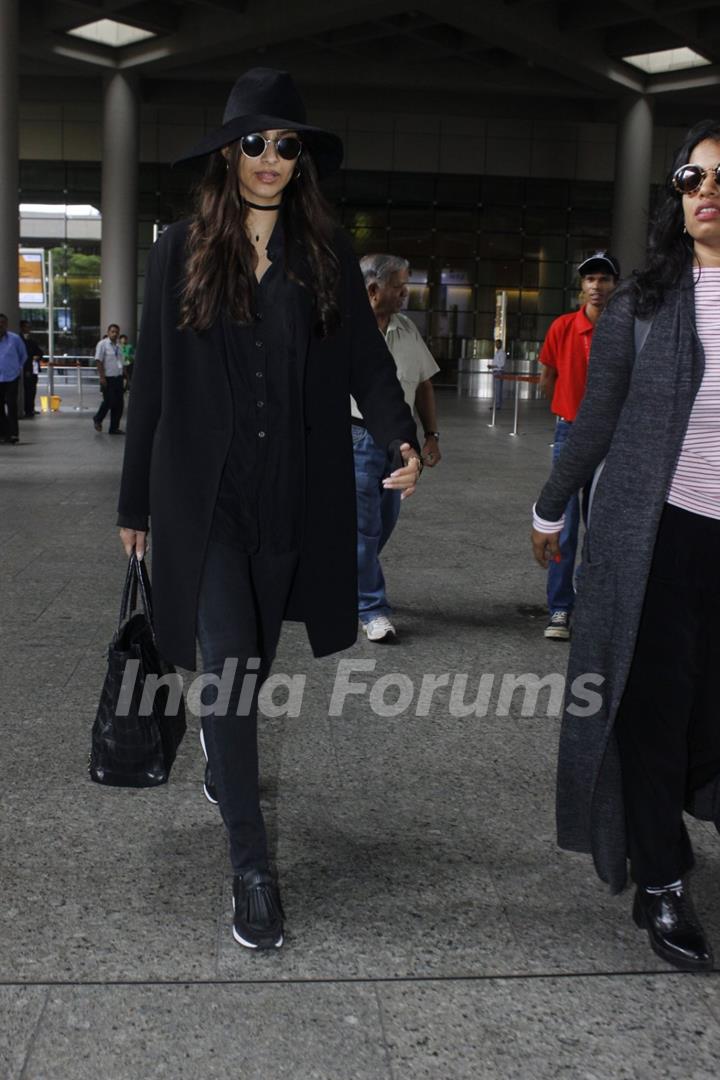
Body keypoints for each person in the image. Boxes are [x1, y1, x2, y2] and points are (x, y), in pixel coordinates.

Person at [116, 68, 422, 951]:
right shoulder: (179, 246)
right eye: (255, 142)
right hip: (204, 502)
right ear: (227, 151)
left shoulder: (321, 253)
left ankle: (226, 752)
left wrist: (402, 439)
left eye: (287, 145)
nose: (270, 160)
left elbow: (368, 361)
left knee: (246, 666)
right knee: (236, 671)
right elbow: (155, 386)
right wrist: (136, 501)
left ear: (301, 159)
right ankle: (250, 866)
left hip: (290, 499)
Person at [531, 118, 720, 972]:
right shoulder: (644, 305)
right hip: (659, 536)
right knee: (648, 711)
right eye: (691, 177)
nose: (706, 189)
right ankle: (664, 878)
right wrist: (548, 508)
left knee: (708, 716)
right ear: (676, 199)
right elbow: (596, 420)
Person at [352, 253, 440, 641]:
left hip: (396, 443)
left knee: (384, 525)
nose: (407, 293)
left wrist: (431, 435)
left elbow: (422, 385)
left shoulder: (406, 330)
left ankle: (350, 580)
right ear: (374, 290)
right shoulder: (341, 329)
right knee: (364, 530)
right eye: (400, 286)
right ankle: (371, 608)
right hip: (352, 438)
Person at [537, 251, 619, 640]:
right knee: (563, 527)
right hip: (569, 433)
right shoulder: (563, 327)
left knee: (600, 527)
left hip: (612, 438)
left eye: (604, 279)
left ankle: (589, 607)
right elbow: (548, 375)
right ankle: (559, 609)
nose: (597, 286)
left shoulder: (624, 328)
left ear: (615, 285)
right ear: (581, 286)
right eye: (590, 279)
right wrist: (563, 413)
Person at [93, 323, 124, 434]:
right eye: (112, 331)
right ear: (108, 332)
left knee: (119, 404)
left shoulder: (119, 346)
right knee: (109, 401)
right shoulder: (103, 344)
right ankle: (97, 418)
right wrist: (102, 377)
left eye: (116, 332)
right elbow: (98, 361)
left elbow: (120, 362)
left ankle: (114, 428)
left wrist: (125, 377)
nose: (115, 334)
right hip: (107, 378)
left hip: (118, 378)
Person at [0, 313, 26, 445]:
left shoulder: (14, 339)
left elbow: (23, 355)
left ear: (6, 325)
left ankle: (14, 434)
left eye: (3, 323)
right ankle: (4, 433)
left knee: (12, 406)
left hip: (11, 378)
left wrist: (17, 369)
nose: (0, 326)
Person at [20, 320, 43, 418]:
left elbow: (40, 352)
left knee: (32, 390)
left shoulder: (32, 341)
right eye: (27, 327)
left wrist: (37, 356)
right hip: (26, 369)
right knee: (27, 390)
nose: (29, 329)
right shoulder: (21, 341)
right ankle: (27, 409)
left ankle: (31, 408)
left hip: (34, 368)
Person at [488, 338, 506, 411]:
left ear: (500, 344)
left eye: (497, 344)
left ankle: (498, 405)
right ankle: (497, 404)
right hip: (496, 372)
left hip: (499, 372)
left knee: (498, 389)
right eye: (495, 344)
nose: (496, 345)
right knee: (497, 389)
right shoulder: (497, 352)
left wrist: (492, 366)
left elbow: (501, 364)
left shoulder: (502, 353)